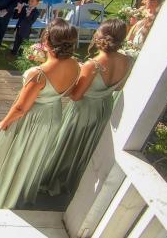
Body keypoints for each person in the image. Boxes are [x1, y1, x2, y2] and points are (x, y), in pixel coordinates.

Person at [0, 18, 80, 208]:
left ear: (46, 41)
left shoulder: (39, 74)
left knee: (17, 154)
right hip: (54, 115)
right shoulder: (76, 65)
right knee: (33, 157)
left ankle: (4, 194)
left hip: (32, 119)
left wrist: (4, 122)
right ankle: (20, 192)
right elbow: (70, 91)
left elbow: (21, 108)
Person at [42, 19, 131, 197]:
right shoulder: (128, 60)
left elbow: (76, 95)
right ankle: (75, 180)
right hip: (104, 107)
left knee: (69, 143)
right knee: (86, 145)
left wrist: (74, 76)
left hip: (83, 110)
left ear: (100, 36)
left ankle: (54, 181)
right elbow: (119, 87)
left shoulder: (93, 64)